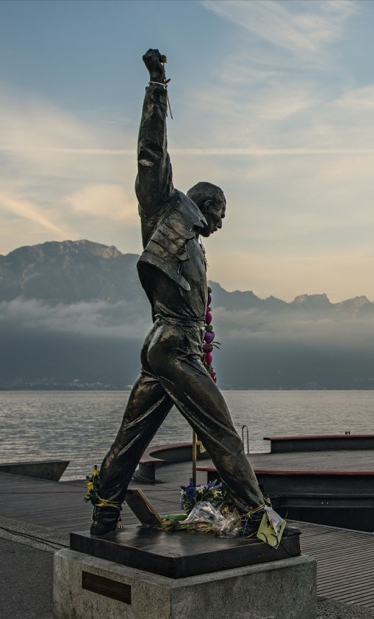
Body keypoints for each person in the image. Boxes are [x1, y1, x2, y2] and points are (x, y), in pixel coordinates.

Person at [88, 49, 266, 536]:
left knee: (133, 434)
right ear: (207, 202)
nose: (225, 221)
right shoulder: (165, 210)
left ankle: (105, 507)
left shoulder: (195, 247)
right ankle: (257, 515)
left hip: (165, 347)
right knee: (221, 429)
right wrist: (158, 87)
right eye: (224, 210)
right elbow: (152, 152)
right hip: (172, 343)